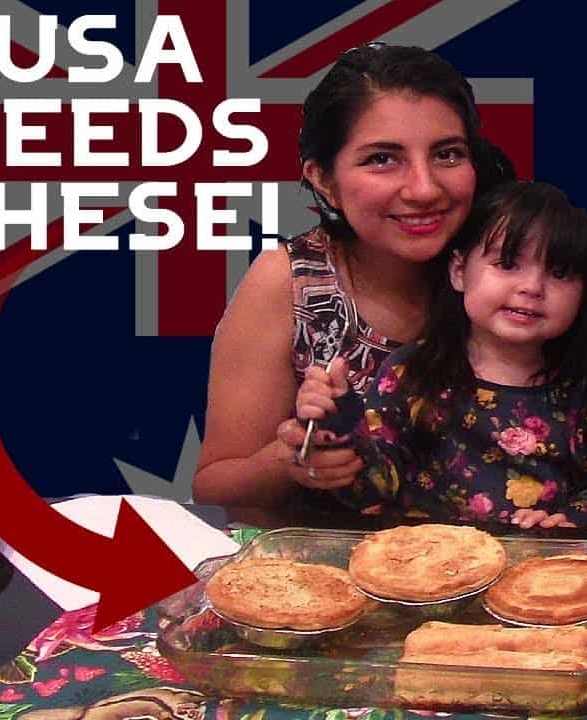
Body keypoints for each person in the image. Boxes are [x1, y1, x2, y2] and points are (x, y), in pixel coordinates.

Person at [193, 44, 514, 508]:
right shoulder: (290, 281)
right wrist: (288, 462)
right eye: (383, 158)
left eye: (447, 154)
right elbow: (213, 485)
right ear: (324, 179)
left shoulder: (518, 265)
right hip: (330, 571)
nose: (424, 189)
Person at [298, 180, 587, 528]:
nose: (532, 287)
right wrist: (339, 419)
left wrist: (566, 523)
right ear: (459, 271)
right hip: (421, 567)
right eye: (508, 263)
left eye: (558, 273)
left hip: (536, 571)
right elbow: (370, 491)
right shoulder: (411, 373)